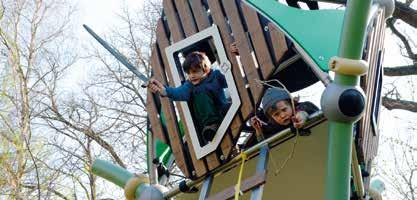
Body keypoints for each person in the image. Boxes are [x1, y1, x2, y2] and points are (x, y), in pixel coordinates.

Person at [148, 51, 230, 144]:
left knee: (225, 105)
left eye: (195, 71)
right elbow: (179, 92)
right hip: (208, 120)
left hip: (222, 110)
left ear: (205, 70)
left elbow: (231, 79)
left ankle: (225, 112)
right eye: (189, 73)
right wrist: (165, 91)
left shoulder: (216, 76)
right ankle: (211, 126)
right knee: (199, 90)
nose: (192, 76)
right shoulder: (190, 85)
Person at [247, 87, 319, 144]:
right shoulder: (273, 127)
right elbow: (263, 144)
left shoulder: (302, 108)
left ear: (292, 104)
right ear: (272, 118)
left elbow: (308, 108)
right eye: (276, 114)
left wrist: (302, 115)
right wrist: (258, 130)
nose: (282, 115)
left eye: (284, 109)